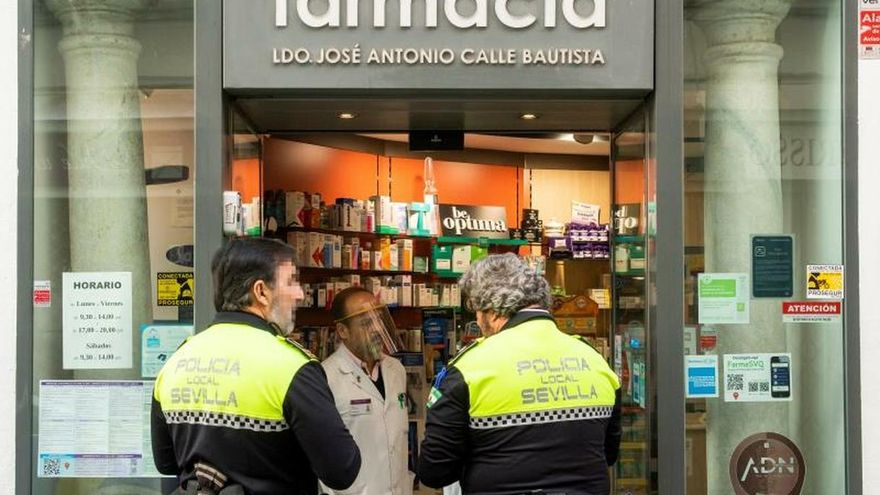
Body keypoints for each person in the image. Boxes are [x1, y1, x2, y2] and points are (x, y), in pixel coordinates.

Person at [151, 237, 361, 495]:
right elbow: (342, 470)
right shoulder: (291, 366)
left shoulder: (177, 360)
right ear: (261, 292)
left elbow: (165, 462)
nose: (300, 293)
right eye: (291, 282)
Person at [418, 253, 622, 494]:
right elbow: (608, 454)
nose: (478, 321)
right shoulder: (595, 360)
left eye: (477, 311)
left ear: (493, 311)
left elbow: (435, 470)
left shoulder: (469, 368)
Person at [320, 287, 412, 495]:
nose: (377, 329)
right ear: (343, 331)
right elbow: (322, 454)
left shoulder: (396, 370)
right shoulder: (326, 378)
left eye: (379, 320)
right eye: (366, 323)